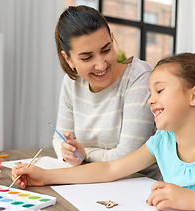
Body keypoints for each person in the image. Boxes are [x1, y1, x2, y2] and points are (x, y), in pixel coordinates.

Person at [13, 53, 195, 211]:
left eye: (159, 90)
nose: (150, 100)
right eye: (150, 92)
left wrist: (191, 198)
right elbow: (111, 168)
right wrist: (46, 176)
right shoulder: (163, 141)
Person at [53, 5, 160, 179]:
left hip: (137, 184)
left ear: (112, 40)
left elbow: (126, 158)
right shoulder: (71, 83)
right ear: (68, 59)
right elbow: (59, 139)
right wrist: (66, 151)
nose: (101, 65)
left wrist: (82, 154)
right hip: (91, 181)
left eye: (106, 50)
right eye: (87, 57)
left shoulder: (138, 77)